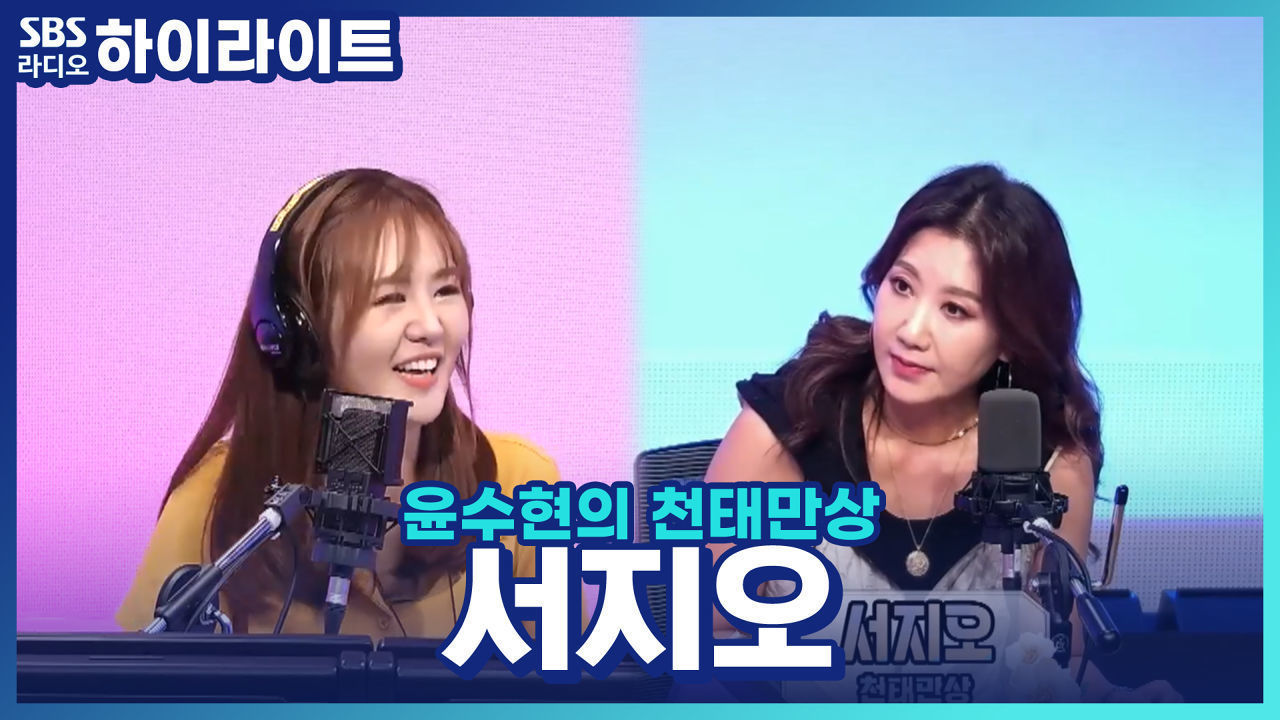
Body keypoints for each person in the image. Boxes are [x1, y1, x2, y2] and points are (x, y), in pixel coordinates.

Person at [705, 163, 1179, 701]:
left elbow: (1052, 668)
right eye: (902, 286)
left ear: (1010, 337)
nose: (911, 330)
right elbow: (704, 652)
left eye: (955, 309)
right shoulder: (788, 427)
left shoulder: (1050, 463)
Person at [116, 169, 560, 639]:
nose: (431, 326)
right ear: (300, 333)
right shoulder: (215, 503)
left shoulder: (520, 484)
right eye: (390, 297)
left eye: (445, 291)